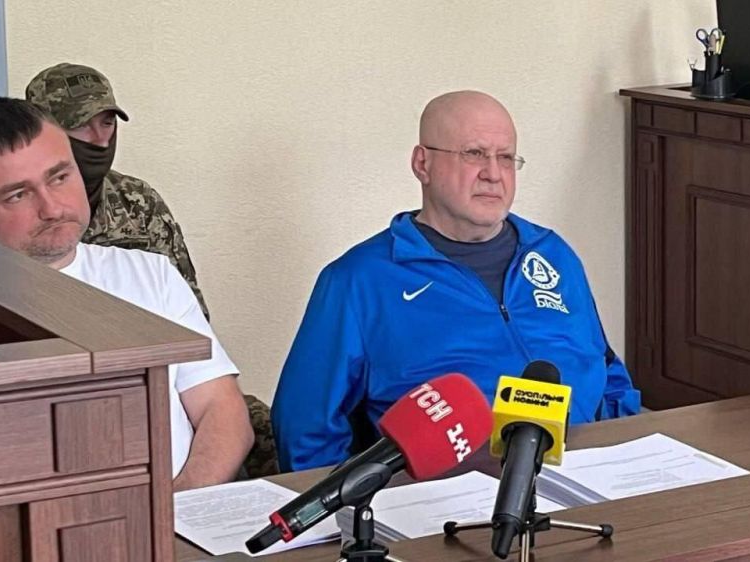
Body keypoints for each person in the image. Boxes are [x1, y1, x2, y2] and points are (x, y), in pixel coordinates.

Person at [272, 90, 640, 472]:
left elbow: (607, 371)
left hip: (587, 472)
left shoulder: (553, 254)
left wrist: (627, 454)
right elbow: (305, 431)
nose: (493, 174)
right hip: (455, 493)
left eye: (506, 157)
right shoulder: (358, 281)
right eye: (474, 154)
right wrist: (354, 506)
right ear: (423, 164)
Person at [0, 97, 252, 490]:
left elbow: (222, 409)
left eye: (59, 177)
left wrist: (174, 507)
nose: (51, 208)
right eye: (18, 195)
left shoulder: (151, 275)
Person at [0, 62, 210, 319]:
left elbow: (186, 312)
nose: (100, 140)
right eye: (81, 125)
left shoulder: (139, 208)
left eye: (107, 123)